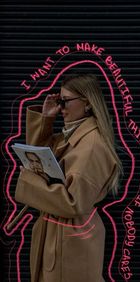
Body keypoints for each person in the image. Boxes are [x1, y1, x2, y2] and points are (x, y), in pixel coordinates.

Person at [15, 73, 123, 282]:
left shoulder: (91, 146)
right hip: (59, 234)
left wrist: (29, 181)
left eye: (64, 101)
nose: (61, 107)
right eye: (59, 101)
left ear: (88, 103)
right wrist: (46, 119)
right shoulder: (72, 135)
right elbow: (39, 157)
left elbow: (73, 202)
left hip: (70, 240)